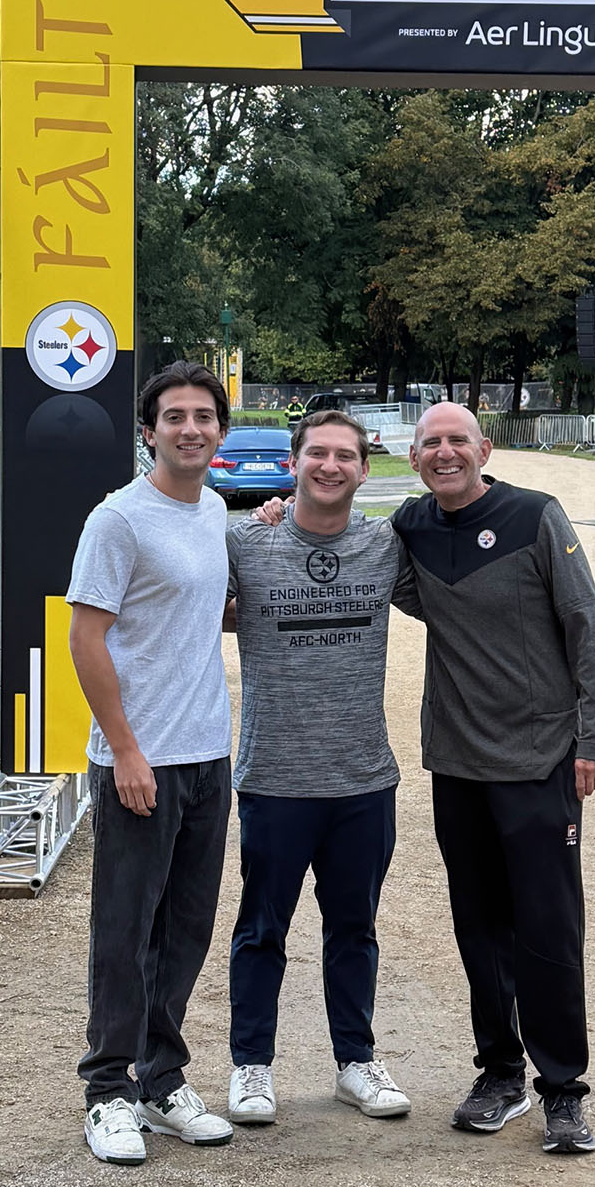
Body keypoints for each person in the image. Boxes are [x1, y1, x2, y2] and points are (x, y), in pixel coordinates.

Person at [392, 401, 595, 1156]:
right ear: (413, 458)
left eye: (458, 440)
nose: (445, 452)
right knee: (479, 927)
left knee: (547, 928)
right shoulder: (411, 527)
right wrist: (276, 513)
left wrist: (593, 738)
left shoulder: (535, 516)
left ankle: (563, 1090)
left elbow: (586, 625)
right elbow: (345, 544)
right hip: (457, 763)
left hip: (539, 758)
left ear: (484, 449)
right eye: (431, 443)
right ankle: (499, 1074)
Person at [225, 410, 416, 1127]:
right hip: (275, 775)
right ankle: (251, 1065)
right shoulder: (247, 540)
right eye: (316, 453)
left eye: (344, 456)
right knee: (261, 929)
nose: (330, 466)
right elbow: (189, 607)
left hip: (363, 777)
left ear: (365, 469)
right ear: (293, 462)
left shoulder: (384, 544)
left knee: (354, 928)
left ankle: (355, 1062)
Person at [67, 361, 235, 1166]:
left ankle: (161, 1079)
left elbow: (202, 612)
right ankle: (107, 1089)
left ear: (220, 431)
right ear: (149, 431)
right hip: (141, 759)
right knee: (126, 929)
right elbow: (85, 637)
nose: (190, 428)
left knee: (187, 927)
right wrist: (126, 749)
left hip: (207, 753)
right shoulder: (119, 520)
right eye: (175, 416)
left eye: (203, 415)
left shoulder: (216, 510)